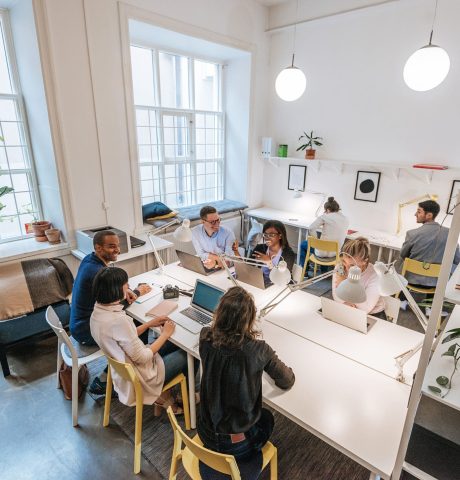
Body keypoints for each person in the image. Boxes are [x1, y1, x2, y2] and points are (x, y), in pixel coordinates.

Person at [198, 286, 295, 461]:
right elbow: (286, 381)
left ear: (219, 313)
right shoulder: (258, 350)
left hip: (205, 432)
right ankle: (245, 459)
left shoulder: (205, 336)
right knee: (267, 418)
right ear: (249, 319)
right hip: (236, 446)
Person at [90, 267, 187, 412]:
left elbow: (124, 337)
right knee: (187, 354)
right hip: (142, 378)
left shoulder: (98, 312)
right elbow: (142, 358)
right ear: (116, 290)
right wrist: (165, 334)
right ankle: (182, 398)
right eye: (126, 285)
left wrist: (149, 324)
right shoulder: (118, 321)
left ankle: (168, 395)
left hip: (125, 371)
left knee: (173, 344)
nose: (129, 287)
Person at [70, 230, 151, 393]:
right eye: (112, 246)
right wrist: (137, 292)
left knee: (131, 325)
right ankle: (113, 377)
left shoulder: (89, 260)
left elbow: (107, 298)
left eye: (118, 245)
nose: (117, 250)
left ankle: (125, 366)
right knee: (134, 325)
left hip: (79, 323)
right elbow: (115, 306)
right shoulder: (96, 272)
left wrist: (124, 290)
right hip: (86, 330)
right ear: (98, 248)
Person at [399, 199, 460, 287]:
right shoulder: (450, 234)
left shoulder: (412, 234)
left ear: (429, 215)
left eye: (419, 212)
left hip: (411, 281)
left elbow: (403, 255)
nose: (415, 214)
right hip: (436, 284)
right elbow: (457, 259)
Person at [332, 237, 385, 316]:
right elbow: (336, 296)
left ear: (365, 261)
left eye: (352, 265)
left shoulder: (375, 275)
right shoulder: (340, 267)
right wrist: (345, 302)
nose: (347, 268)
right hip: (346, 308)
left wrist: (343, 286)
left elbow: (365, 308)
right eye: (344, 261)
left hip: (372, 314)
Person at [234, 219, 296, 284]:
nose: (267, 238)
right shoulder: (260, 248)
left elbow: (282, 279)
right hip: (262, 283)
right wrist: (236, 251)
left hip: (279, 285)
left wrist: (269, 263)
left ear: (280, 236)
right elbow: (247, 268)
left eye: (271, 235)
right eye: (265, 235)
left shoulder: (288, 253)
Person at [299, 196, 349, 269]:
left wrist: (317, 240)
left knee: (303, 244)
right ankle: (324, 271)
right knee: (326, 245)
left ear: (328, 209)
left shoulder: (325, 217)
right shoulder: (346, 219)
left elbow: (311, 228)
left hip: (321, 254)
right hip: (335, 254)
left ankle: (304, 270)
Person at [191, 205, 236, 270]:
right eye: (212, 222)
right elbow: (201, 254)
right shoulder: (195, 232)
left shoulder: (228, 233)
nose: (217, 224)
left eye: (218, 220)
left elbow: (229, 260)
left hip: (226, 269)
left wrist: (215, 263)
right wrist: (219, 259)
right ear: (203, 222)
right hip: (208, 264)